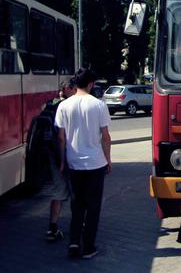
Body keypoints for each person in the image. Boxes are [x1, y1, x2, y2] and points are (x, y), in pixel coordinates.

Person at [55, 69, 112, 259]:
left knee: (77, 205)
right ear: (90, 84)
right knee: (93, 206)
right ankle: (88, 247)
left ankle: (73, 242)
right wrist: (108, 160)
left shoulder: (63, 106)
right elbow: (105, 137)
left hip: (74, 163)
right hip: (96, 163)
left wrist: (63, 161)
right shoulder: (98, 105)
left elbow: (61, 138)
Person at [45, 79, 76, 241]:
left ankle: (52, 227)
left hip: (54, 156)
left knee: (58, 191)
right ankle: (78, 226)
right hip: (67, 156)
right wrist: (64, 160)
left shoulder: (51, 106)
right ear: (68, 89)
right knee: (75, 193)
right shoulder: (68, 107)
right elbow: (62, 138)